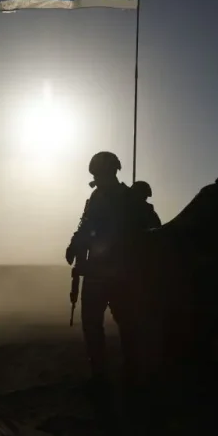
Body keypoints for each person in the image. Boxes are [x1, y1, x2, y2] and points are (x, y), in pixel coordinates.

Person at [66, 152, 147, 388]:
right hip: (96, 272)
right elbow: (85, 226)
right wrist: (75, 244)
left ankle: (132, 375)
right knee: (92, 326)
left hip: (122, 273)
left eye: (100, 173)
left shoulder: (129, 199)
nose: (97, 178)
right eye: (96, 175)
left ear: (112, 171)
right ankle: (100, 376)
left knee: (128, 325)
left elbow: (149, 232)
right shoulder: (96, 197)